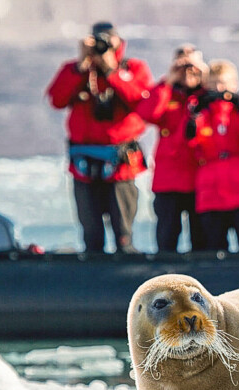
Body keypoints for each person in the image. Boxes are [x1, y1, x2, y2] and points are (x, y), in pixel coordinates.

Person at [46, 21, 152, 253]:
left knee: (123, 231)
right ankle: (92, 273)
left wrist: (112, 71)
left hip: (120, 163)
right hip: (83, 163)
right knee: (91, 233)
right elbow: (57, 99)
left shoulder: (133, 68)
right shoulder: (76, 70)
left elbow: (142, 101)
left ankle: (125, 267)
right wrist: (80, 67)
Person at [136, 44, 208, 252]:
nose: (187, 71)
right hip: (169, 179)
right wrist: (168, 80)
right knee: (167, 237)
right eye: (182, 65)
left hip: (200, 178)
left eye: (191, 65)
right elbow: (147, 114)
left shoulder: (207, 96)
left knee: (201, 239)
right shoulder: (166, 94)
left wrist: (204, 74)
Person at [190, 60, 239, 252]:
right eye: (214, 83)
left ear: (234, 84)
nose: (218, 88)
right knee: (214, 245)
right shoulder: (200, 112)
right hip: (212, 190)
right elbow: (190, 145)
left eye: (223, 83)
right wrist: (194, 116)